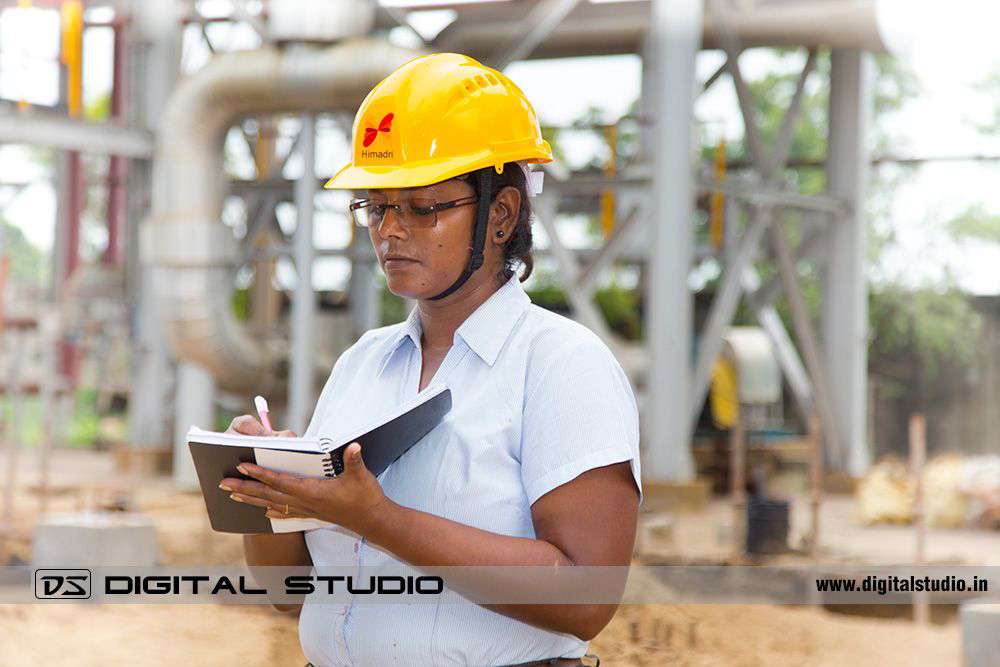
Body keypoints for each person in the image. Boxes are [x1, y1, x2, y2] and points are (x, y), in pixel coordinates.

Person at [220, 52, 642, 667]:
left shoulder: (559, 365)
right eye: (376, 206)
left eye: (422, 207)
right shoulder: (362, 364)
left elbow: (586, 596)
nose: (390, 230)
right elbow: (290, 595)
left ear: (501, 215)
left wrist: (378, 518)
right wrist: (272, 493)